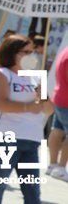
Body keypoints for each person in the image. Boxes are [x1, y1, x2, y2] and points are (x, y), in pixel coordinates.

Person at [0, 35, 53, 203]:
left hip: (31, 139)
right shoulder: (2, 74)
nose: (32, 55)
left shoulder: (36, 77)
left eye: (33, 51)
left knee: (32, 192)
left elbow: (49, 110)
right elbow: (0, 104)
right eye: (27, 52)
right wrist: (28, 107)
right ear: (12, 53)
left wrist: (43, 97)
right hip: (5, 138)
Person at [49, 45, 68, 180]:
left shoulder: (65, 51)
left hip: (60, 97)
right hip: (66, 100)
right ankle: (61, 167)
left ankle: (53, 165)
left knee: (57, 131)